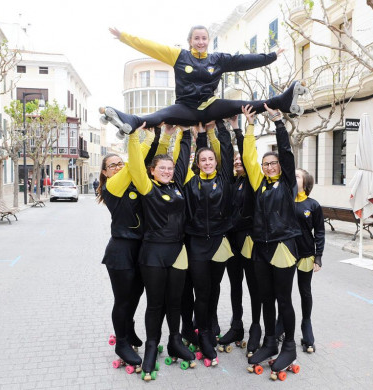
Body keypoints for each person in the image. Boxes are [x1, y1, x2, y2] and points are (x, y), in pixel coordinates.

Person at [103, 26, 306, 132]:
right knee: (160, 115)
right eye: (196, 38)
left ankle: (282, 102)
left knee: (242, 104)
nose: (200, 42)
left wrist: (271, 56)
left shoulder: (217, 59)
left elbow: (242, 60)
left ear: (208, 41)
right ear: (190, 41)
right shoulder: (178, 56)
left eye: (204, 38)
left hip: (210, 106)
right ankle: (129, 122)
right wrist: (124, 37)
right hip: (185, 108)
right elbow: (151, 46)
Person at [126, 122, 196, 379]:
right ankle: (152, 347)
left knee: (175, 303)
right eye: (162, 168)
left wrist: (186, 133)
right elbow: (134, 164)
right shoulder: (147, 187)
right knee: (155, 305)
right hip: (153, 254)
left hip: (178, 253)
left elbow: (184, 157)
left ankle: (175, 340)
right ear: (152, 171)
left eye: (169, 168)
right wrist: (135, 137)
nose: (167, 171)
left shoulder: (178, 184)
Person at [241, 104, 301, 376]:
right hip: (261, 248)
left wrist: (278, 123)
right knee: (265, 299)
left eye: (272, 163)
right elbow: (248, 157)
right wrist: (249, 126)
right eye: (265, 164)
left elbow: (286, 153)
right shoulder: (259, 183)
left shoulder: (287, 182)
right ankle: (268, 342)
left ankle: (288, 344)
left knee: (283, 299)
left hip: (283, 246)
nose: (268, 166)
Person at [181, 119, 234, 367]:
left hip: (219, 242)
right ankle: (202, 332)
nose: (207, 162)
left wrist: (219, 129)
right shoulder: (191, 181)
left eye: (210, 159)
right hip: (197, 243)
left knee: (214, 288)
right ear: (197, 163)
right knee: (201, 291)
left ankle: (211, 324)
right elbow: (196, 153)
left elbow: (227, 149)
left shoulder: (224, 178)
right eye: (203, 160)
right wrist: (199, 135)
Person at [96, 148, 151, 372]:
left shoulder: (133, 184)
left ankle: (129, 330)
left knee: (136, 294)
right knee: (123, 299)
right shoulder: (113, 187)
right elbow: (133, 165)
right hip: (120, 250)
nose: (118, 167)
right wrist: (141, 142)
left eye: (120, 163)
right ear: (105, 173)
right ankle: (121, 343)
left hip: (140, 249)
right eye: (113, 165)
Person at [216, 116, 262, 358]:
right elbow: (224, 155)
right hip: (231, 241)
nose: (236, 160)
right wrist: (220, 130)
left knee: (254, 287)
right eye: (235, 159)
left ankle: (256, 328)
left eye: (240, 158)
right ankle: (237, 326)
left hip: (250, 241)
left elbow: (247, 153)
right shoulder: (231, 183)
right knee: (234, 286)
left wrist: (238, 129)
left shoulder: (254, 182)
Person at [294, 168, 325, 353]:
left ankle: (306, 326)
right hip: (285, 254)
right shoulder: (284, 201)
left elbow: (319, 232)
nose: (293, 177)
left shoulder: (313, 205)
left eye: (297, 176)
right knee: (282, 293)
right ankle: (281, 324)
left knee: (305, 292)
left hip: (306, 255)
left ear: (305, 183)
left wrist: (318, 256)